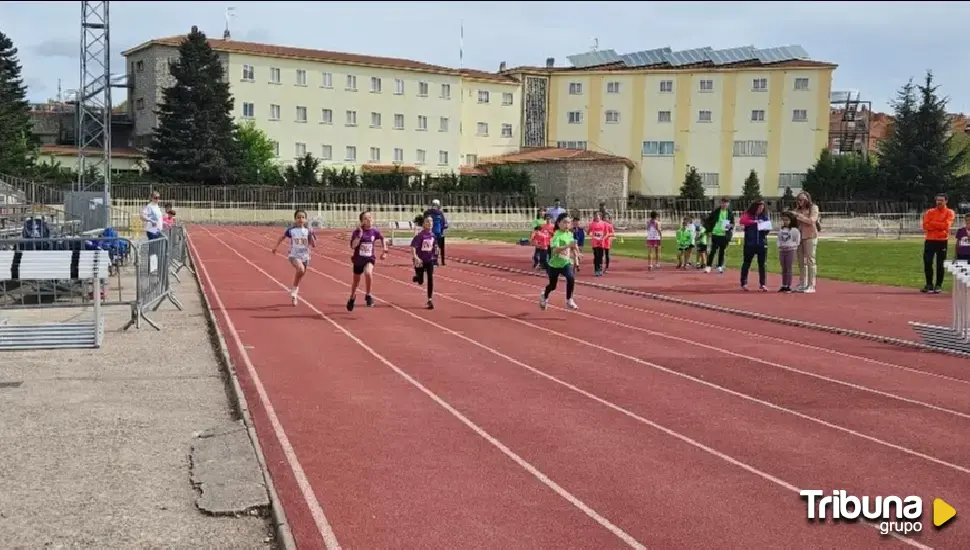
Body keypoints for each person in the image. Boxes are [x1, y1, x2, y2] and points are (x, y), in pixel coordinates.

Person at [271, 209, 316, 306]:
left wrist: (311, 234)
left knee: (301, 274)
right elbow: (282, 237)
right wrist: (275, 247)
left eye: (303, 217)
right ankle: (294, 291)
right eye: (298, 217)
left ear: (306, 220)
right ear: (295, 219)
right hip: (294, 255)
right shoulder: (291, 230)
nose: (300, 219)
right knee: (300, 269)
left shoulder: (308, 231)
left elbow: (313, 245)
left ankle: (294, 291)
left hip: (305, 256)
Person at [347, 211, 387, 311]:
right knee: (356, 282)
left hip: (369, 259)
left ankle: (368, 295)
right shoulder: (357, 232)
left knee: (368, 273)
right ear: (361, 221)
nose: (368, 219)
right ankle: (352, 297)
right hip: (358, 260)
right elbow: (353, 246)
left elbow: (383, 238)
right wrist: (359, 235)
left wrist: (385, 251)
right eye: (365, 218)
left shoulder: (375, 231)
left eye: (370, 217)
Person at [539, 213, 580, 311]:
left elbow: (573, 246)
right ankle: (545, 295)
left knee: (571, 278)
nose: (567, 225)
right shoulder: (556, 235)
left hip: (565, 262)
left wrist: (577, 256)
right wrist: (568, 246)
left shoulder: (570, 234)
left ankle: (569, 299)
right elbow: (555, 250)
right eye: (564, 222)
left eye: (569, 223)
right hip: (554, 265)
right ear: (558, 223)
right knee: (552, 286)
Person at [921, 193, 956, 293]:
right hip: (930, 240)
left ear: (946, 201)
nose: (939, 202)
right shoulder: (930, 212)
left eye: (941, 200)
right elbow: (925, 226)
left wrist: (933, 223)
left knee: (940, 264)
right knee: (927, 262)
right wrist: (939, 225)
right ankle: (929, 284)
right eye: (937, 200)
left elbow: (946, 226)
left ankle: (938, 285)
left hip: (942, 241)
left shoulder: (950, 212)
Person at [739, 200, 770, 291]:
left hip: (761, 243)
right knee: (746, 263)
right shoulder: (748, 214)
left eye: (762, 208)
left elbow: (767, 229)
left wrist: (765, 228)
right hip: (750, 244)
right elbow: (742, 221)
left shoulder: (764, 217)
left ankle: (762, 284)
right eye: (759, 207)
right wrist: (755, 222)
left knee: (762, 264)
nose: (761, 209)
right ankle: (744, 283)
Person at [410, 215, 438, 310]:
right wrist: (415, 257)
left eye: (431, 222)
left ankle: (429, 300)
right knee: (420, 281)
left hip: (429, 260)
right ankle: (417, 278)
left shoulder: (433, 235)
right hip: (420, 261)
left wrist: (435, 257)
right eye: (427, 222)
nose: (430, 223)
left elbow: (434, 247)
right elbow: (413, 247)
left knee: (430, 278)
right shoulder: (420, 235)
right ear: (423, 224)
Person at [704, 197, 735, 273]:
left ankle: (720, 266)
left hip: (724, 235)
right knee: (713, 251)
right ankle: (708, 266)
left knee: (722, 251)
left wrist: (730, 226)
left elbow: (733, 223)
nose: (724, 204)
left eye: (726, 203)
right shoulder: (715, 211)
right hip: (715, 234)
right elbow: (707, 220)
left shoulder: (730, 213)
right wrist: (709, 230)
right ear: (721, 203)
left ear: (728, 204)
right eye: (723, 202)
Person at [776, 211, 801, 293]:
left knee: (788, 268)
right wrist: (779, 245)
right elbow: (779, 239)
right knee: (783, 268)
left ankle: (788, 286)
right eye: (784, 220)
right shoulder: (782, 229)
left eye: (787, 220)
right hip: (782, 250)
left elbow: (797, 241)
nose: (785, 222)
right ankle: (784, 285)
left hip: (790, 251)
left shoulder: (794, 230)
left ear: (791, 220)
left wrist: (790, 245)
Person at [423, 199, 449, 266]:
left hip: (428, 232)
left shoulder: (427, 212)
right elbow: (444, 224)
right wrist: (442, 230)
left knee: (428, 247)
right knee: (437, 247)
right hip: (438, 232)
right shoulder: (440, 213)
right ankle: (438, 261)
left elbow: (423, 222)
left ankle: (428, 260)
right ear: (438, 205)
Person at [588, 211, 608, 276]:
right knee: (596, 256)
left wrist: (603, 238)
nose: (596, 217)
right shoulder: (592, 224)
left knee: (601, 256)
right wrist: (591, 235)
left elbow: (606, 233)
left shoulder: (604, 224)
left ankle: (600, 269)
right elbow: (588, 232)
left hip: (601, 242)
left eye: (597, 215)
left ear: (600, 216)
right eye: (595, 215)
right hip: (595, 242)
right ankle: (596, 270)